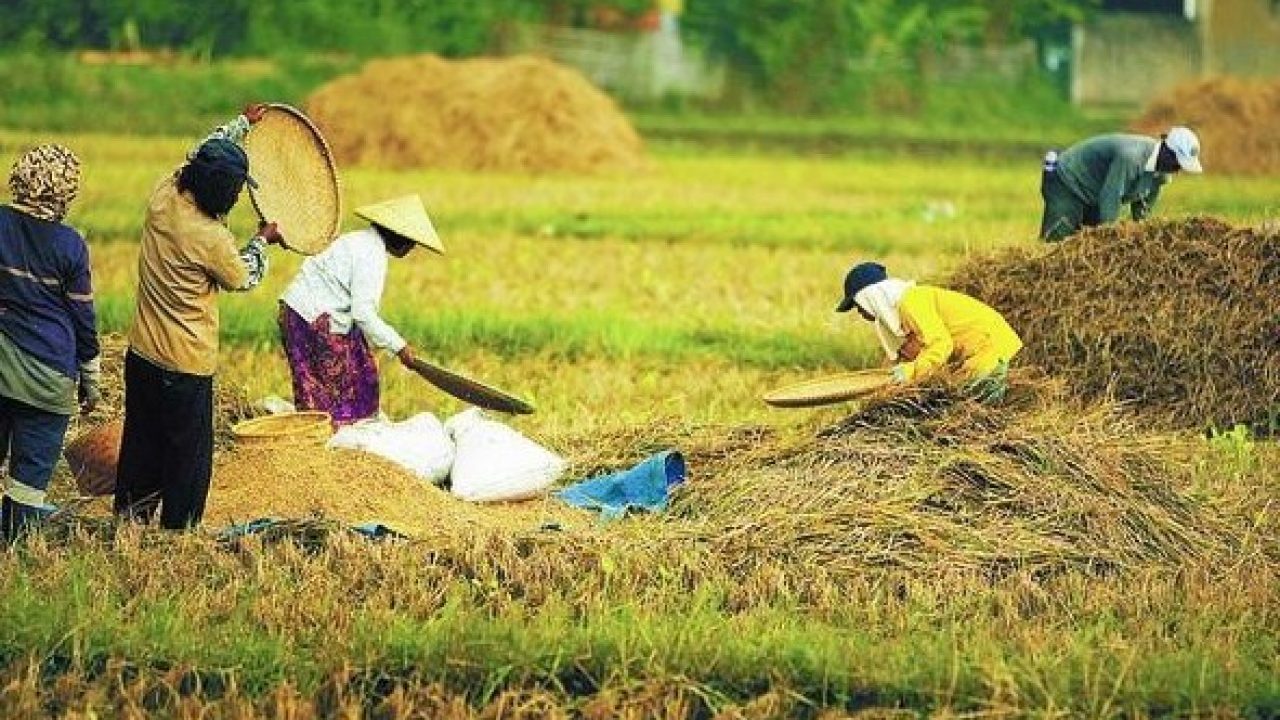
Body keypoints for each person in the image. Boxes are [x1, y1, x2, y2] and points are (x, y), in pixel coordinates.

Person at [114, 104, 284, 529]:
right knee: (187, 457)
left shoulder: (164, 195)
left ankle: (130, 522)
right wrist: (263, 241)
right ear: (223, 195)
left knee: (141, 443)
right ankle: (178, 533)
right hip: (185, 364)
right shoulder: (211, 239)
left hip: (142, 353)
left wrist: (241, 125)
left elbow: (198, 153)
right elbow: (244, 277)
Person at [0, 144, 100, 540]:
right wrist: (91, 381)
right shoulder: (70, 245)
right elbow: (83, 321)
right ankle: (15, 544)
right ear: (65, 195)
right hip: (48, 380)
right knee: (29, 479)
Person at [278, 194, 442, 425]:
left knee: (362, 373)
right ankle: (332, 443)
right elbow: (363, 313)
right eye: (411, 241)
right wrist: (400, 347)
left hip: (303, 313)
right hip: (310, 320)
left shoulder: (359, 240)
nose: (412, 248)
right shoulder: (371, 255)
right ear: (399, 237)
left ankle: (344, 437)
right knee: (329, 397)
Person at [835, 262, 1022, 401]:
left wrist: (910, 372)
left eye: (858, 305)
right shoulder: (901, 312)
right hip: (977, 351)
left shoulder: (911, 302)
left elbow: (941, 344)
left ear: (871, 298)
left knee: (973, 411)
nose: (859, 312)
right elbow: (912, 351)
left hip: (986, 347)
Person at [1039, 126, 1203, 242]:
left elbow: (1143, 211)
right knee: (1057, 244)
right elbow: (1111, 197)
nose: (1179, 169)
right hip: (1068, 181)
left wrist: (1142, 238)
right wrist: (1112, 238)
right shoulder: (1131, 158)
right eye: (1178, 163)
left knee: (1088, 244)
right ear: (1168, 152)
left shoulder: (1161, 174)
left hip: (1094, 194)